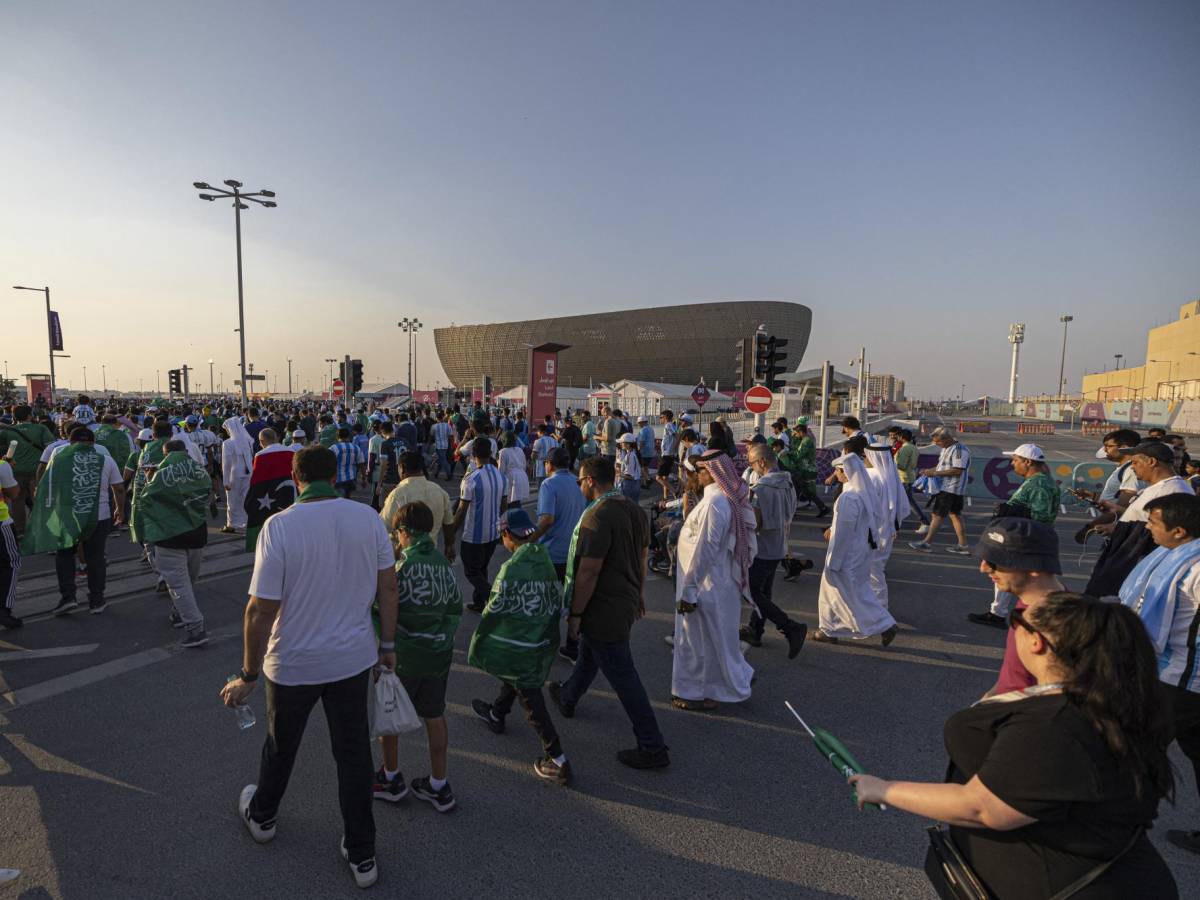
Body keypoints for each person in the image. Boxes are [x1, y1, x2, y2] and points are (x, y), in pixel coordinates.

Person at [849, 593, 1179, 900]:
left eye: (1017, 622)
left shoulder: (1055, 724)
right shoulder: (1108, 700)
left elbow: (983, 807)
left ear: (1037, 641)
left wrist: (882, 789)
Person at [220, 446, 398, 889]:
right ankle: (362, 853)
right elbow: (389, 587)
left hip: (293, 663)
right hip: (353, 658)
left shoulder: (279, 526)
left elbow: (260, 610)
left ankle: (262, 816)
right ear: (335, 474)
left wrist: (247, 673)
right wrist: (388, 644)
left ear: (295, 479)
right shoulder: (367, 518)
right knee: (354, 754)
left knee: (281, 746)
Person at [546, 456, 669, 769]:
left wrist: (574, 615)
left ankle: (652, 745)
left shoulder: (596, 516)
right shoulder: (632, 509)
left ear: (589, 481)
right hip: (624, 600)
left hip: (604, 606)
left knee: (622, 674)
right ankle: (569, 696)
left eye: (580, 482)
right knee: (591, 654)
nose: (579, 487)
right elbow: (642, 557)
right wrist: (639, 592)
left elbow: (588, 571)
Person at [1118, 493, 1200, 855]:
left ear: (1179, 531)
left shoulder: (1196, 568)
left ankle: (1122, 831)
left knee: (1137, 753)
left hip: (1180, 682)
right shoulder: (1176, 555)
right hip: (1177, 677)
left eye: (1153, 522)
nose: (1148, 527)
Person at [469, 508, 571, 784]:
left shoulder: (511, 568)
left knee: (530, 697)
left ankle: (557, 758)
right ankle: (497, 712)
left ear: (505, 534)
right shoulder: (542, 559)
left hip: (519, 640)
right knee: (516, 677)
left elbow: (495, 608)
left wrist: (482, 637)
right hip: (538, 637)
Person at [372, 501, 462, 812]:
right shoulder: (444, 566)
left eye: (397, 534)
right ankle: (439, 784)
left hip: (404, 657)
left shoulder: (401, 568)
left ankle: (391, 776)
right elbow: (454, 609)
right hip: (437, 655)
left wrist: (385, 646)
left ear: (404, 532)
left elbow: (381, 608)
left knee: (391, 716)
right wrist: (441, 638)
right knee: (435, 716)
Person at [670, 449, 759, 711]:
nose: (694, 476)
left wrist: (689, 590)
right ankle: (737, 677)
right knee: (717, 639)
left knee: (699, 642)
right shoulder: (720, 499)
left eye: (698, 471)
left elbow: (705, 548)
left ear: (710, 473)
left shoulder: (715, 503)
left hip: (706, 586)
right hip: (714, 584)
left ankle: (698, 694)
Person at [23, 426, 125, 616]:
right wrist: (120, 509)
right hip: (99, 515)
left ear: (69, 442)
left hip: (66, 515)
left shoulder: (59, 458)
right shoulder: (105, 459)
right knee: (95, 558)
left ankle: (68, 597)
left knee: (65, 555)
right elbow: (118, 488)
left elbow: (48, 484)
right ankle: (97, 600)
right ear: (93, 443)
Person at [966, 444, 1061, 628]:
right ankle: (999, 612)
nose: (1012, 464)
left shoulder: (1039, 483)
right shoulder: (1039, 480)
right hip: (1028, 537)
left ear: (1027, 462)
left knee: (1021, 577)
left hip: (1028, 539)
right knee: (1010, 575)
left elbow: (1041, 517)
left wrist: (1012, 514)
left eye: (1016, 460)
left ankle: (1038, 616)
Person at [1085, 440, 1194, 598]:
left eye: (1135, 462)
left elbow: (1162, 537)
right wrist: (1117, 525)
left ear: (1151, 462)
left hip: (1133, 570)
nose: (1132, 467)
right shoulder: (1159, 488)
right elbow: (1143, 523)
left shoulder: (1172, 491)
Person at [812, 453, 897, 645]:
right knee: (849, 591)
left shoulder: (849, 498)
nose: (836, 474)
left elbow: (843, 533)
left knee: (844, 593)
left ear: (846, 472)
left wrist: (835, 560)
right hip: (859, 551)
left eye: (838, 470)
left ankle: (883, 624)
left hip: (845, 554)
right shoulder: (862, 493)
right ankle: (830, 629)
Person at [974, 518, 1065, 696]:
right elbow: (1014, 677)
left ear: (1033, 566)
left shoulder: (1062, 624)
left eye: (994, 562)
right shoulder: (1028, 604)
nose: (983, 569)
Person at [139, 439, 212, 647]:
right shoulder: (199, 470)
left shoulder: (161, 473)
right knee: (188, 579)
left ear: (166, 454)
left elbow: (146, 499)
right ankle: (179, 613)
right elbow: (207, 492)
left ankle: (196, 629)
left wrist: (148, 478)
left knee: (178, 583)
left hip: (169, 534)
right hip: (197, 532)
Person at [738, 444, 807, 658]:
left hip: (763, 548)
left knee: (751, 591)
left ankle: (789, 626)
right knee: (764, 591)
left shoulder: (761, 489)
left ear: (761, 462)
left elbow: (756, 524)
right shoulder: (787, 482)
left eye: (751, 463)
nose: (751, 467)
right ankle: (755, 630)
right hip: (779, 545)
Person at [532, 448, 588, 661]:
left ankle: (544, 643)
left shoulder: (549, 484)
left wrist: (530, 540)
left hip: (552, 552)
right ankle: (573, 646)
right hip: (575, 551)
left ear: (549, 464)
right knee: (573, 601)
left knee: (545, 601)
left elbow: (546, 519)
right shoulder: (578, 482)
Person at [452, 437, 505, 613]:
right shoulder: (500, 475)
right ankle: (479, 601)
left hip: (474, 534)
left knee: (472, 571)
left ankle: (492, 597)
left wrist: (451, 531)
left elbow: (461, 510)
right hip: (493, 532)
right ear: (490, 453)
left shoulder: (471, 479)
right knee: (482, 568)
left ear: (473, 455)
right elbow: (503, 505)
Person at [379, 452, 456, 558]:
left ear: (401, 468)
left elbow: (382, 528)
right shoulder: (439, 491)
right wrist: (449, 546)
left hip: (406, 559)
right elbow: (448, 524)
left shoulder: (397, 494)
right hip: (431, 555)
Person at [907, 427, 971, 555]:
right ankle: (963, 545)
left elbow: (957, 470)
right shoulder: (947, 448)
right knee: (955, 515)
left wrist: (935, 473)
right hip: (949, 488)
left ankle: (927, 543)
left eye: (938, 442)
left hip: (951, 488)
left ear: (947, 439)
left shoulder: (959, 450)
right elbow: (943, 466)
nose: (936, 444)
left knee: (937, 515)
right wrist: (929, 471)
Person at [1074, 428, 1142, 543]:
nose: (1105, 450)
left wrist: (1089, 528)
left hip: (1122, 536)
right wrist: (1093, 496)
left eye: (1108, 446)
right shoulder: (1123, 468)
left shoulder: (1130, 470)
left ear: (1124, 447)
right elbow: (1115, 499)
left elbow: (1119, 509)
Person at [0, 405, 55, 537]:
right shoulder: (41, 428)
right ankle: (41, 530)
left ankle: (20, 531)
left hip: (16, 471)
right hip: (38, 470)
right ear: (30, 416)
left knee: (17, 502)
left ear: (14, 417)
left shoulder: (9, 431)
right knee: (39, 501)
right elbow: (51, 447)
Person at [221, 416, 254, 534]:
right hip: (248, 474)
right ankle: (247, 522)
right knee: (246, 499)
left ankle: (232, 524)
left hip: (234, 475)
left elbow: (226, 464)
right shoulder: (248, 441)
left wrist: (225, 481)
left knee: (232, 500)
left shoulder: (227, 443)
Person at [0, 458, 22, 629]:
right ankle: (3, 609)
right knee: (11, 563)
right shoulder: (2, 466)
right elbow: (14, 493)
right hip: (1, 524)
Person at [893, 429, 928, 529]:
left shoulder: (904, 448)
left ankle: (924, 520)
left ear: (902, 437)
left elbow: (902, 465)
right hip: (910, 476)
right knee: (901, 501)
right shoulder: (913, 447)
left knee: (909, 501)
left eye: (898, 436)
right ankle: (895, 521)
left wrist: (892, 464)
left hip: (903, 478)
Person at [497, 432, 531, 511]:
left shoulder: (503, 452)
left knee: (509, 503)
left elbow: (501, 470)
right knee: (516, 502)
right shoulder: (519, 450)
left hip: (511, 478)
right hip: (522, 476)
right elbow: (524, 465)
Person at [332, 427, 366, 499]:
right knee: (347, 499)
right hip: (351, 479)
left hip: (338, 479)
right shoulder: (356, 447)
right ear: (348, 436)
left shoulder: (334, 448)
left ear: (337, 436)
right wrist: (364, 478)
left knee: (339, 501)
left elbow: (328, 463)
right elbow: (362, 464)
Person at [615, 433, 642, 502]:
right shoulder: (633, 454)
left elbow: (630, 475)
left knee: (627, 506)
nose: (620, 444)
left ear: (628, 444)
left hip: (630, 485)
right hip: (635, 483)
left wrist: (618, 474)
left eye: (622, 442)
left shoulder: (630, 456)